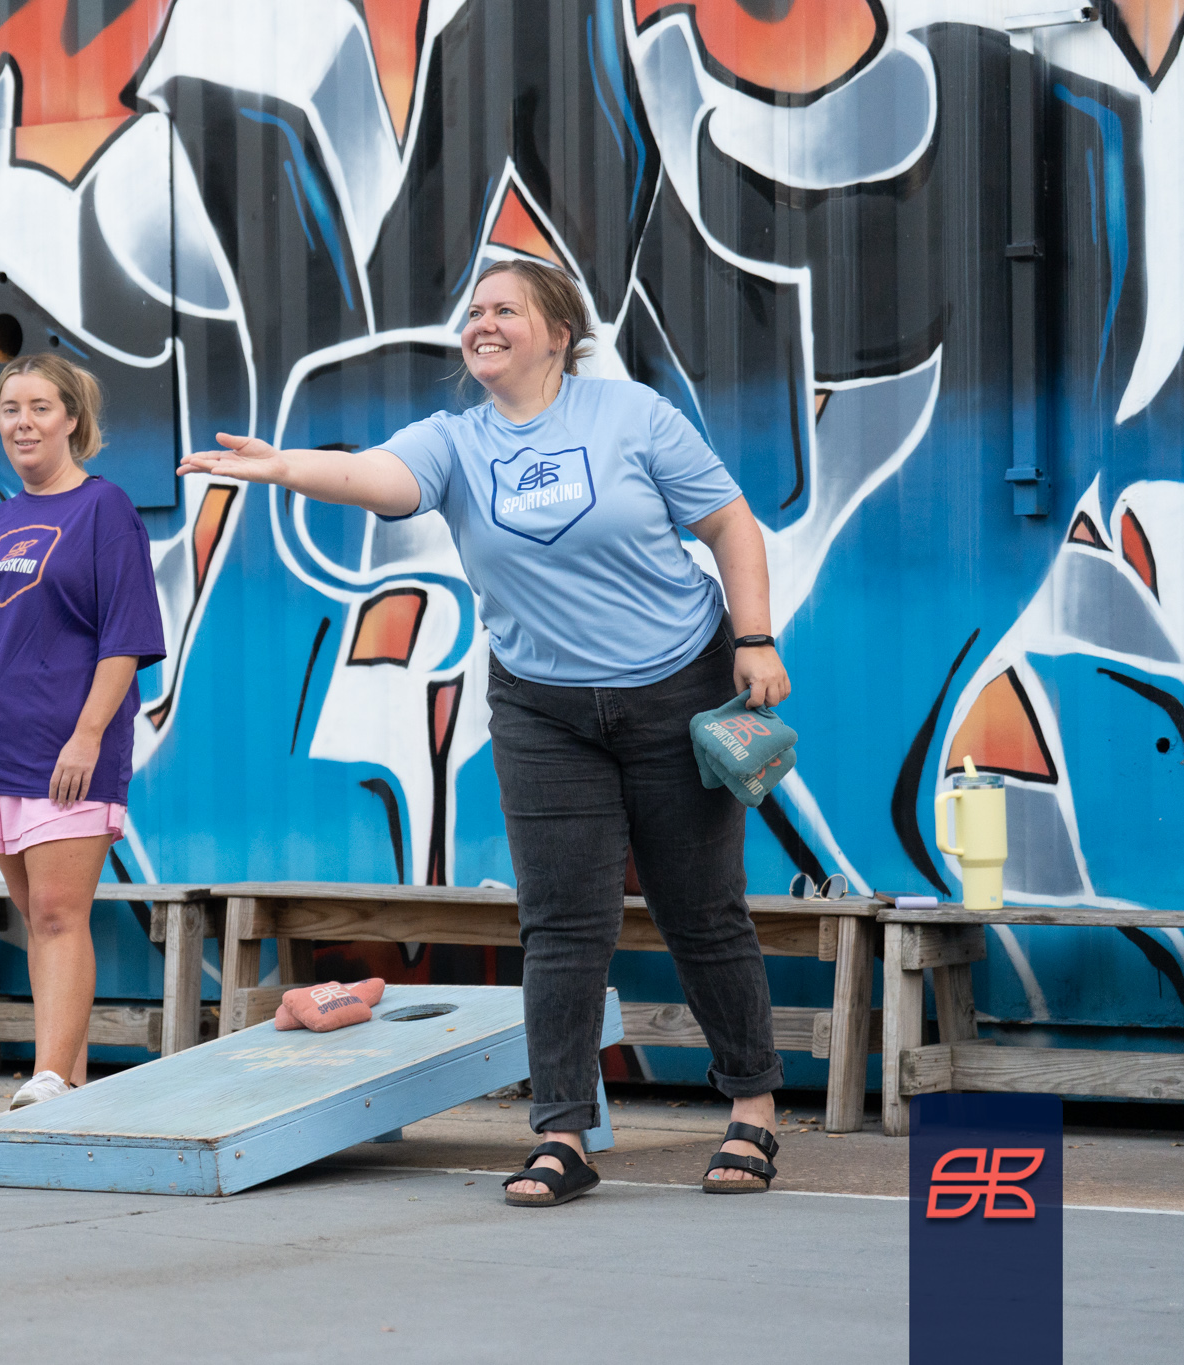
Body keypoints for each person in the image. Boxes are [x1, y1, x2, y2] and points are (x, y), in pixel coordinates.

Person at [179, 259, 793, 1205]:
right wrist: (284, 467)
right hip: (545, 705)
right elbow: (378, 476)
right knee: (561, 921)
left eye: (507, 309)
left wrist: (754, 638)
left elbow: (731, 525)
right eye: (474, 312)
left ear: (559, 333)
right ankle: (562, 1133)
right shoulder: (455, 441)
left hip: (676, 683)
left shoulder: (632, 416)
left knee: (699, 909)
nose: (483, 323)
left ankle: (752, 1106)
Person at [0, 354, 165, 1111]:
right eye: (10, 409)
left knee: (62, 914)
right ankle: (65, 1077)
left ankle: (52, 1075)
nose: (23, 422)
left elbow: (126, 638)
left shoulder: (105, 509)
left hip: (67, 752)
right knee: (39, 919)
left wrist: (88, 735)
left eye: (39, 407)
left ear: (72, 419)